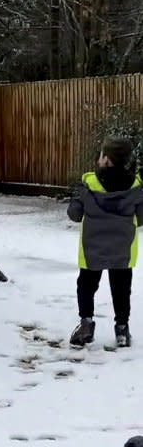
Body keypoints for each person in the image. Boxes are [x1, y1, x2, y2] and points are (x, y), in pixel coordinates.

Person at [67, 137, 143, 348]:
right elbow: (142, 217)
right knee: (121, 289)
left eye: (101, 155)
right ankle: (122, 330)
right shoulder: (136, 186)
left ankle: (86, 324)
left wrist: (78, 199)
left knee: (86, 285)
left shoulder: (89, 184)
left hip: (92, 248)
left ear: (106, 159)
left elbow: (74, 214)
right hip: (123, 249)